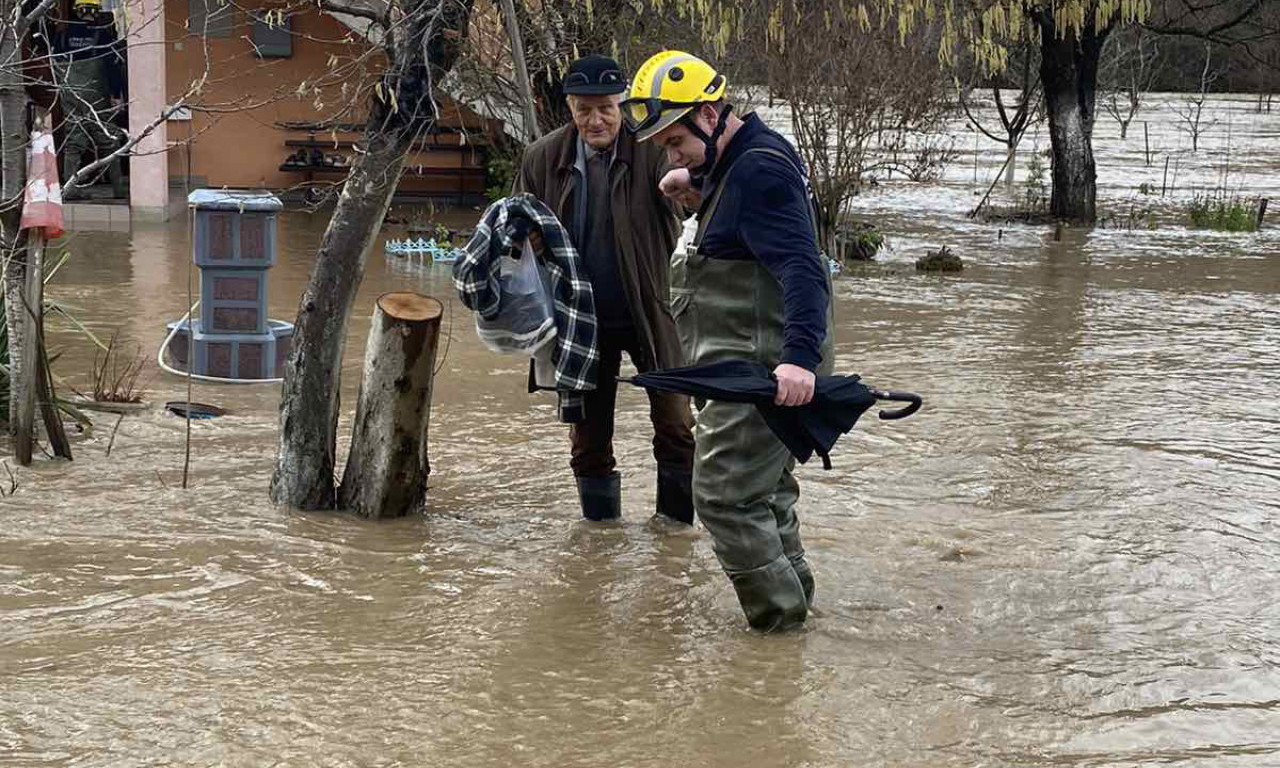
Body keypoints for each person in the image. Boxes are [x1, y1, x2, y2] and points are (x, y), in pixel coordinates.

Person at [622, 50, 834, 631]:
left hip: (765, 366)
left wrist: (797, 361)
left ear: (710, 115)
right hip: (741, 357)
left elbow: (802, 268)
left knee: (721, 494)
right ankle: (799, 612)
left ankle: (778, 628)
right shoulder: (744, 155)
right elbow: (735, 184)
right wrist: (694, 177)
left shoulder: (759, 170)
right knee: (764, 491)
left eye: (674, 142)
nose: (670, 154)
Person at [513, 54, 697, 526]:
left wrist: (688, 193)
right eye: (583, 110)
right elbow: (514, 230)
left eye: (606, 109)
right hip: (578, 321)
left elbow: (697, 206)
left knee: (677, 427)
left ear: (622, 107)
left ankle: (674, 535)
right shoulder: (542, 158)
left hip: (651, 310)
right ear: (570, 110)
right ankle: (599, 544)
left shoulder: (655, 149)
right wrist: (526, 242)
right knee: (588, 443)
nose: (595, 121)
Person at [54, 0, 126, 198]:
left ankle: (70, 191)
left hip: (70, 94)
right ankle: (118, 190)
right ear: (96, 11)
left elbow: (54, 63)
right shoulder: (101, 35)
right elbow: (112, 67)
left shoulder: (62, 35)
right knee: (108, 141)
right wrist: (117, 93)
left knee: (74, 142)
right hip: (96, 97)